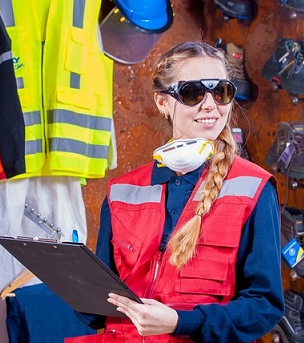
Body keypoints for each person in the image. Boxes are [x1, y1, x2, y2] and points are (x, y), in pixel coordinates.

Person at [66, 41, 284, 343]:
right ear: (162, 102)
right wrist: (70, 276)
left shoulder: (252, 187)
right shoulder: (123, 192)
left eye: (221, 91)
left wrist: (182, 322)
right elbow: (92, 315)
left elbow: (264, 307)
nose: (210, 105)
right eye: (193, 92)